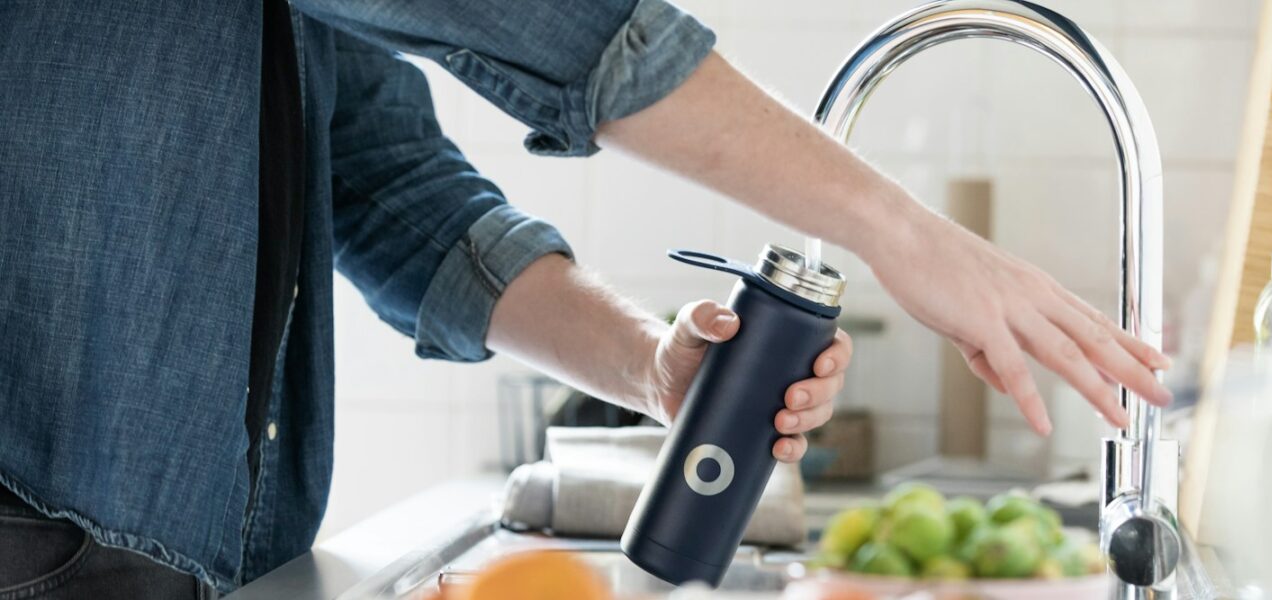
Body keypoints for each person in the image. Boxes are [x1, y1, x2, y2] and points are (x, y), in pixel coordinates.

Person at [0, 0, 1171, 597]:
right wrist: (899, 231)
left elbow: (380, 178)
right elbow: (558, 27)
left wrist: (649, 364)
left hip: (174, 556)